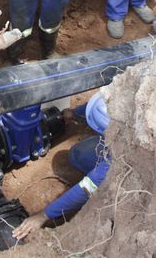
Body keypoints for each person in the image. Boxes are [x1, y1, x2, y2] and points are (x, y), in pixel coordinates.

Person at [12, 92, 111, 240]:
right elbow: (102, 104)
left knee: (99, 178)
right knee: (78, 155)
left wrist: (44, 215)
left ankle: (110, 185)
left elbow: (86, 187)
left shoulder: (119, 154)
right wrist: (75, 113)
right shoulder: (127, 90)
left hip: (131, 163)